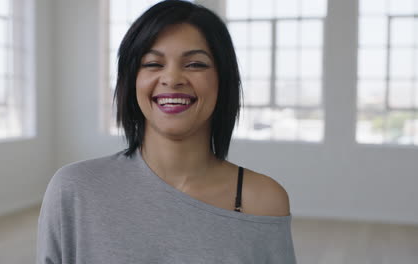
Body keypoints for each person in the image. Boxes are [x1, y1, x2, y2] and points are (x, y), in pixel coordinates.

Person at [37, 0, 296, 263]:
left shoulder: (264, 200)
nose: (172, 79)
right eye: (152, 63)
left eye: (195, 64)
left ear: (223, 79)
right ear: (131, 80)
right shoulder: (74, 189)